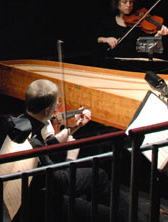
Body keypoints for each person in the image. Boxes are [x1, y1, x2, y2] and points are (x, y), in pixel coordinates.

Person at [12, 79, 123, 221]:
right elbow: (60, 183)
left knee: (99, 175)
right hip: (44, 201)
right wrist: (71, 157)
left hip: (35, 188)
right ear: (47, 110)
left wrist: (75, 127)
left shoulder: (22, 123)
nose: (57, 108)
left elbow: (49, 144)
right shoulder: (34, 143)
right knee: (116, 217)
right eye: (56, 105)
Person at [95, 0, 168, 62]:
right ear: (117, 3)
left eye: (131, 2)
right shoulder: (108, 23)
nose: (129, 5)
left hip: (132, 65)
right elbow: (91, 41)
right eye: (124, 2)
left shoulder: (138, 24)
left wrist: (158, 36)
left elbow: (145, 50)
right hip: (110, 63)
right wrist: (104, 39)